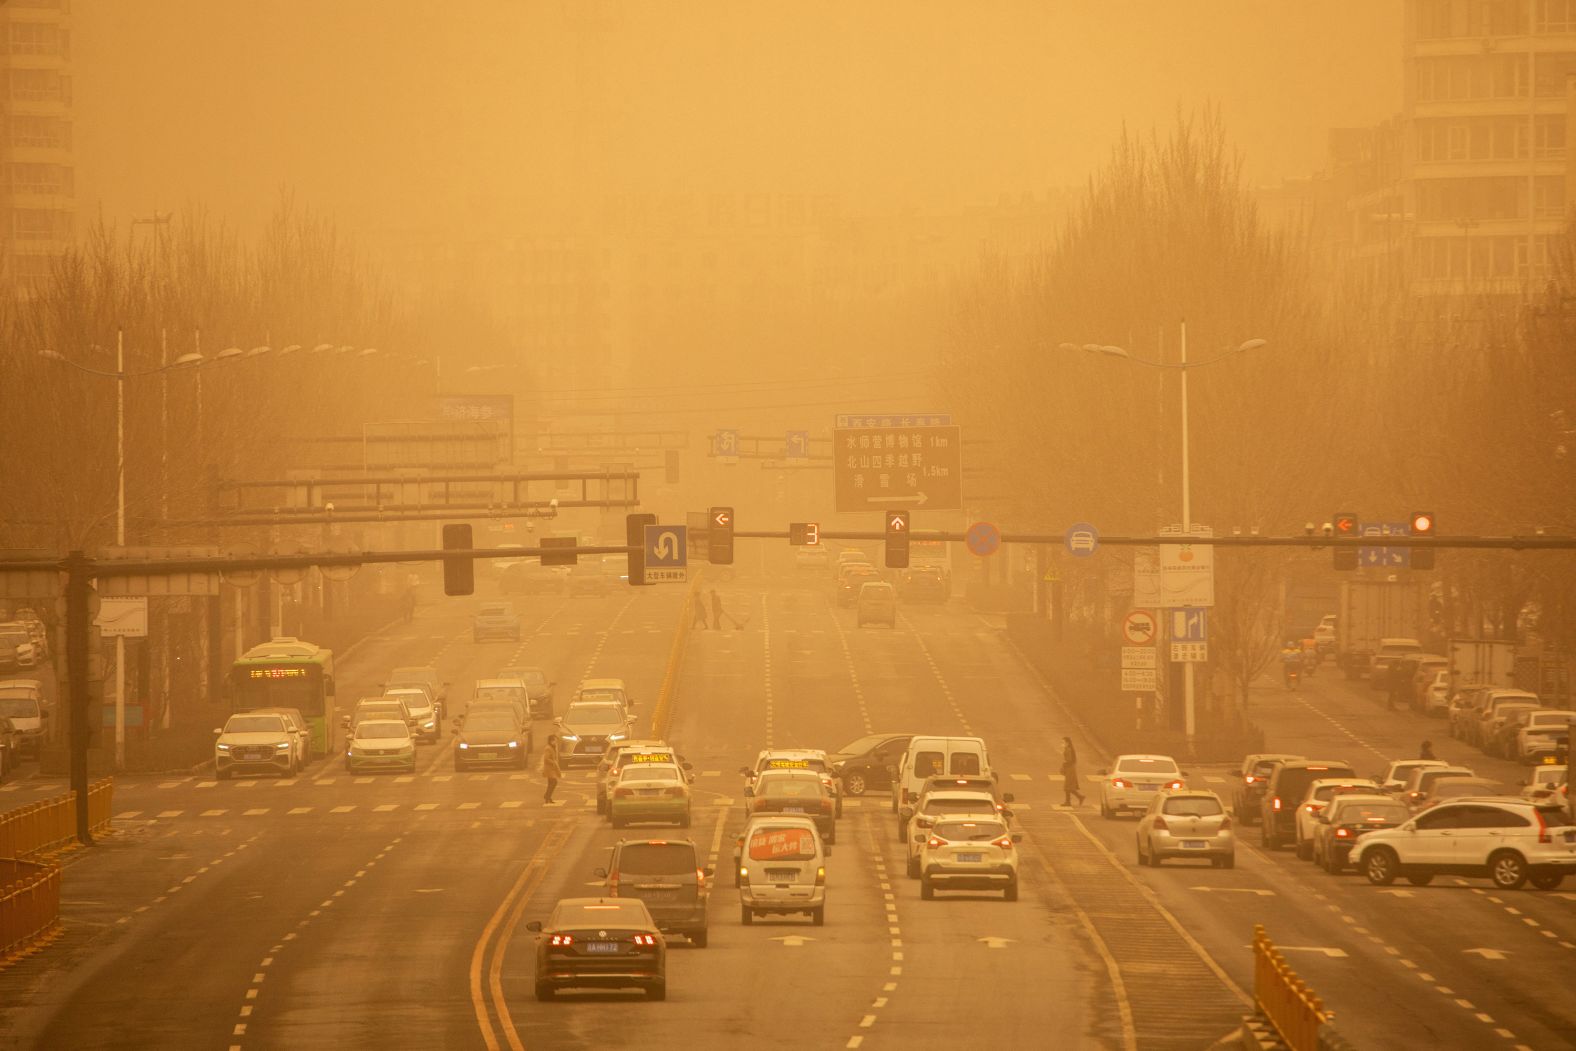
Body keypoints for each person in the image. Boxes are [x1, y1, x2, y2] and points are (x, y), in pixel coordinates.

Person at [1060, 737, 1086, 806]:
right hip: (1070, 769)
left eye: (1063, 742)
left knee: (1067, 786)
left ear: (1067, 743)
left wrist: (1064, 765)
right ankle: (1079, 797)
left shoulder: (1068, 749)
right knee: (1069, 786)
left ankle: (1069, 801)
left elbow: (1069, 760)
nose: (1062, 744)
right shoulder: (1068, 749)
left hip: (1070, 769)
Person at [542, 734, 560, 804]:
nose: (556, 742)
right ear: (551, 741)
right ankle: (547, 796)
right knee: (554, 782)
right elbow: (546, 759)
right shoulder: (548, 748)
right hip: (549, 769)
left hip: (551, 768)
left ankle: (548, 797)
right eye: (554, 740)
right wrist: (553, 763)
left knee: (551, 783)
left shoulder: (552, 747)